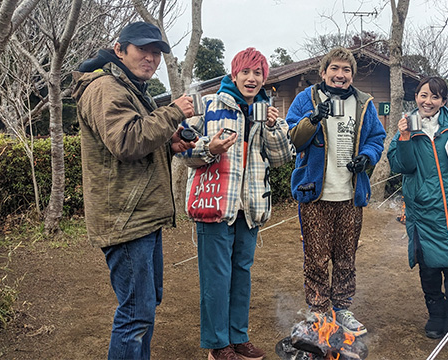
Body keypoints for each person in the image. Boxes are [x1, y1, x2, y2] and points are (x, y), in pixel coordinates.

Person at [72, 21, 195, 359]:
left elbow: (133, 142)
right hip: (125, 219)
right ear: (119, 49)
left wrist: (167, 144)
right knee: (135, 313)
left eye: (156, 52)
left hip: (140, 215)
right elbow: (125, 142)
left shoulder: (130, 88)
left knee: (144, 307)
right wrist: (172, 113)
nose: (151, 58)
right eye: (143, 49)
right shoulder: (105, 87)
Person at [178, 48, 292, 360]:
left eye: (258, 73)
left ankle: (238, 336)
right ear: (234, 75)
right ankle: (217, 344)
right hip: (215, 203)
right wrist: (209, 148)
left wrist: (273, 128)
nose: (252, 78)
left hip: (250, 206)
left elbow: (283, 159)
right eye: (246, 72)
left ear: (264, 79)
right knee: (216, 276)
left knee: (241, 273)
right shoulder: (211, 106)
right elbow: (183, 150)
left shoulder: (267, 112)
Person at [285, 47, 386, 337]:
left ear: (351, 75)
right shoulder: (306, 99)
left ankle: (342, 309)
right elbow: (295, 139)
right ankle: (318, 310)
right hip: (314, 192)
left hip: (350, 194)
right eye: (335, 69)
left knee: (346, 256)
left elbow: (376, 138)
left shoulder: (364, 103)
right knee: (315, 257)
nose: (340, 75)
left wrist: (367, 157)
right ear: (324, 71)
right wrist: (314, 118)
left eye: (346, 70)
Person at [387, 76, 448, 341]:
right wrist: (405, 138)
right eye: (423, 95)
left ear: (444, 100)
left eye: (434, 96)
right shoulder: (406, 126)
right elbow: (401, 166)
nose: (427, 101)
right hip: (423, 210)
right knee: (428, 268)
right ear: (415, 98)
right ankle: (436, 314)